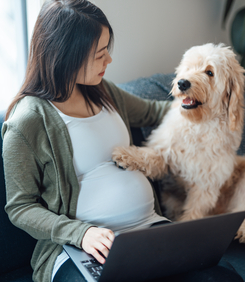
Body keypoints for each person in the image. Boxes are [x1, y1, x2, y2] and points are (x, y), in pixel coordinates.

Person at [1, 1, 243, 282]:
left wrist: (219, 108)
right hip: (81, 248)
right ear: (66, 55)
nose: (109, 61)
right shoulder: (26, 122)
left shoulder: (104, 92)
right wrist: (82, 234)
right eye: (100, 54)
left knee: (222, 279)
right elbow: (20, 208)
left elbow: (161, 111)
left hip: (151, 230)